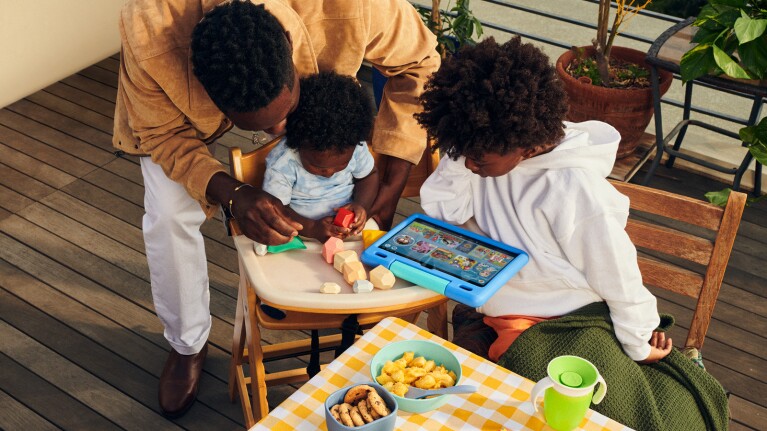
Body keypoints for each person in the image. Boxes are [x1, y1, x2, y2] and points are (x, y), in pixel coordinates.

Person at [112, 0, 439, 418]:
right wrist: (233, 193)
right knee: (169, 215)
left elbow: (420, 62)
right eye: (262, 127)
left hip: (323, 105)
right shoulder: (148, 26)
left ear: (288, 42)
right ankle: (186, 342)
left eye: (283, 115)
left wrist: (390, 183)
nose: (278, 135)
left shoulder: (357, 6)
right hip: (170, 122)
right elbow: (162, 134)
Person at [416, 36, 673, 365]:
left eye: (476, 157)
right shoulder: (483, 151)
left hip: (562, 318)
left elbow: (617, 272)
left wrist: (638, 342)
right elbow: (446, 210)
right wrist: (462, 150)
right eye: (461, 152)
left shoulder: (573, 189)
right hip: (497, 305)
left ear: (527, 145)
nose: (468, 164)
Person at [263, 71, 377, 241]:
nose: (330, 172)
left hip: (349, 228)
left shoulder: (355, 146)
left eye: (341, 165)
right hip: (301, 234)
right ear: (298, 144)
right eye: (318, 167)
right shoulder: (283, 163)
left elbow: (369, 176)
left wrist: (361, 205)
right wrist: (312, 228)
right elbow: (277, 208)